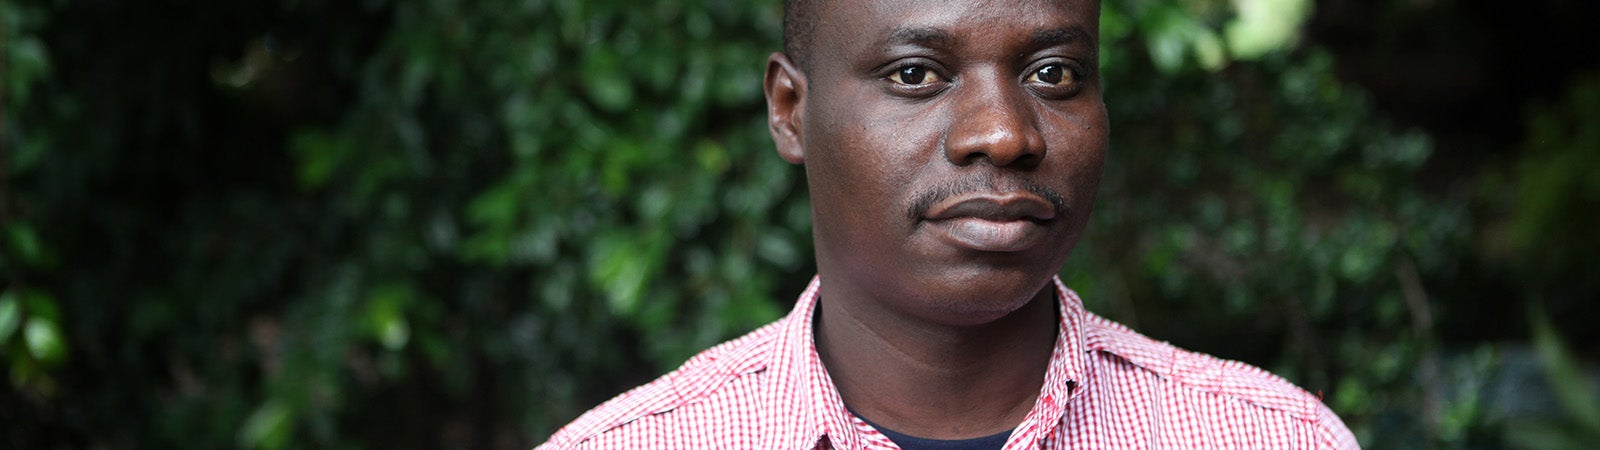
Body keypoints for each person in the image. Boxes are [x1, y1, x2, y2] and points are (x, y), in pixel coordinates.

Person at [538, 0, 1359, 448]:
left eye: (1054, 73)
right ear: (790, 109)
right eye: (915, 74)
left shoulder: (1268, 439)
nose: (1002, 133)